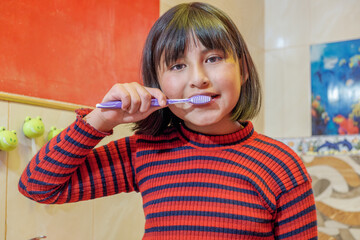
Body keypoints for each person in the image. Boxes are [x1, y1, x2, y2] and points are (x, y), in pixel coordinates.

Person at [19, 2, 318, 239]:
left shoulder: (282, 165)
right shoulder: (144, 152)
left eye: (212, 59)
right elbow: (38, 187)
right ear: (158, 85)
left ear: (243, 70)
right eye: (177, 65)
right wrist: (101, 119)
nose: (198, 79)